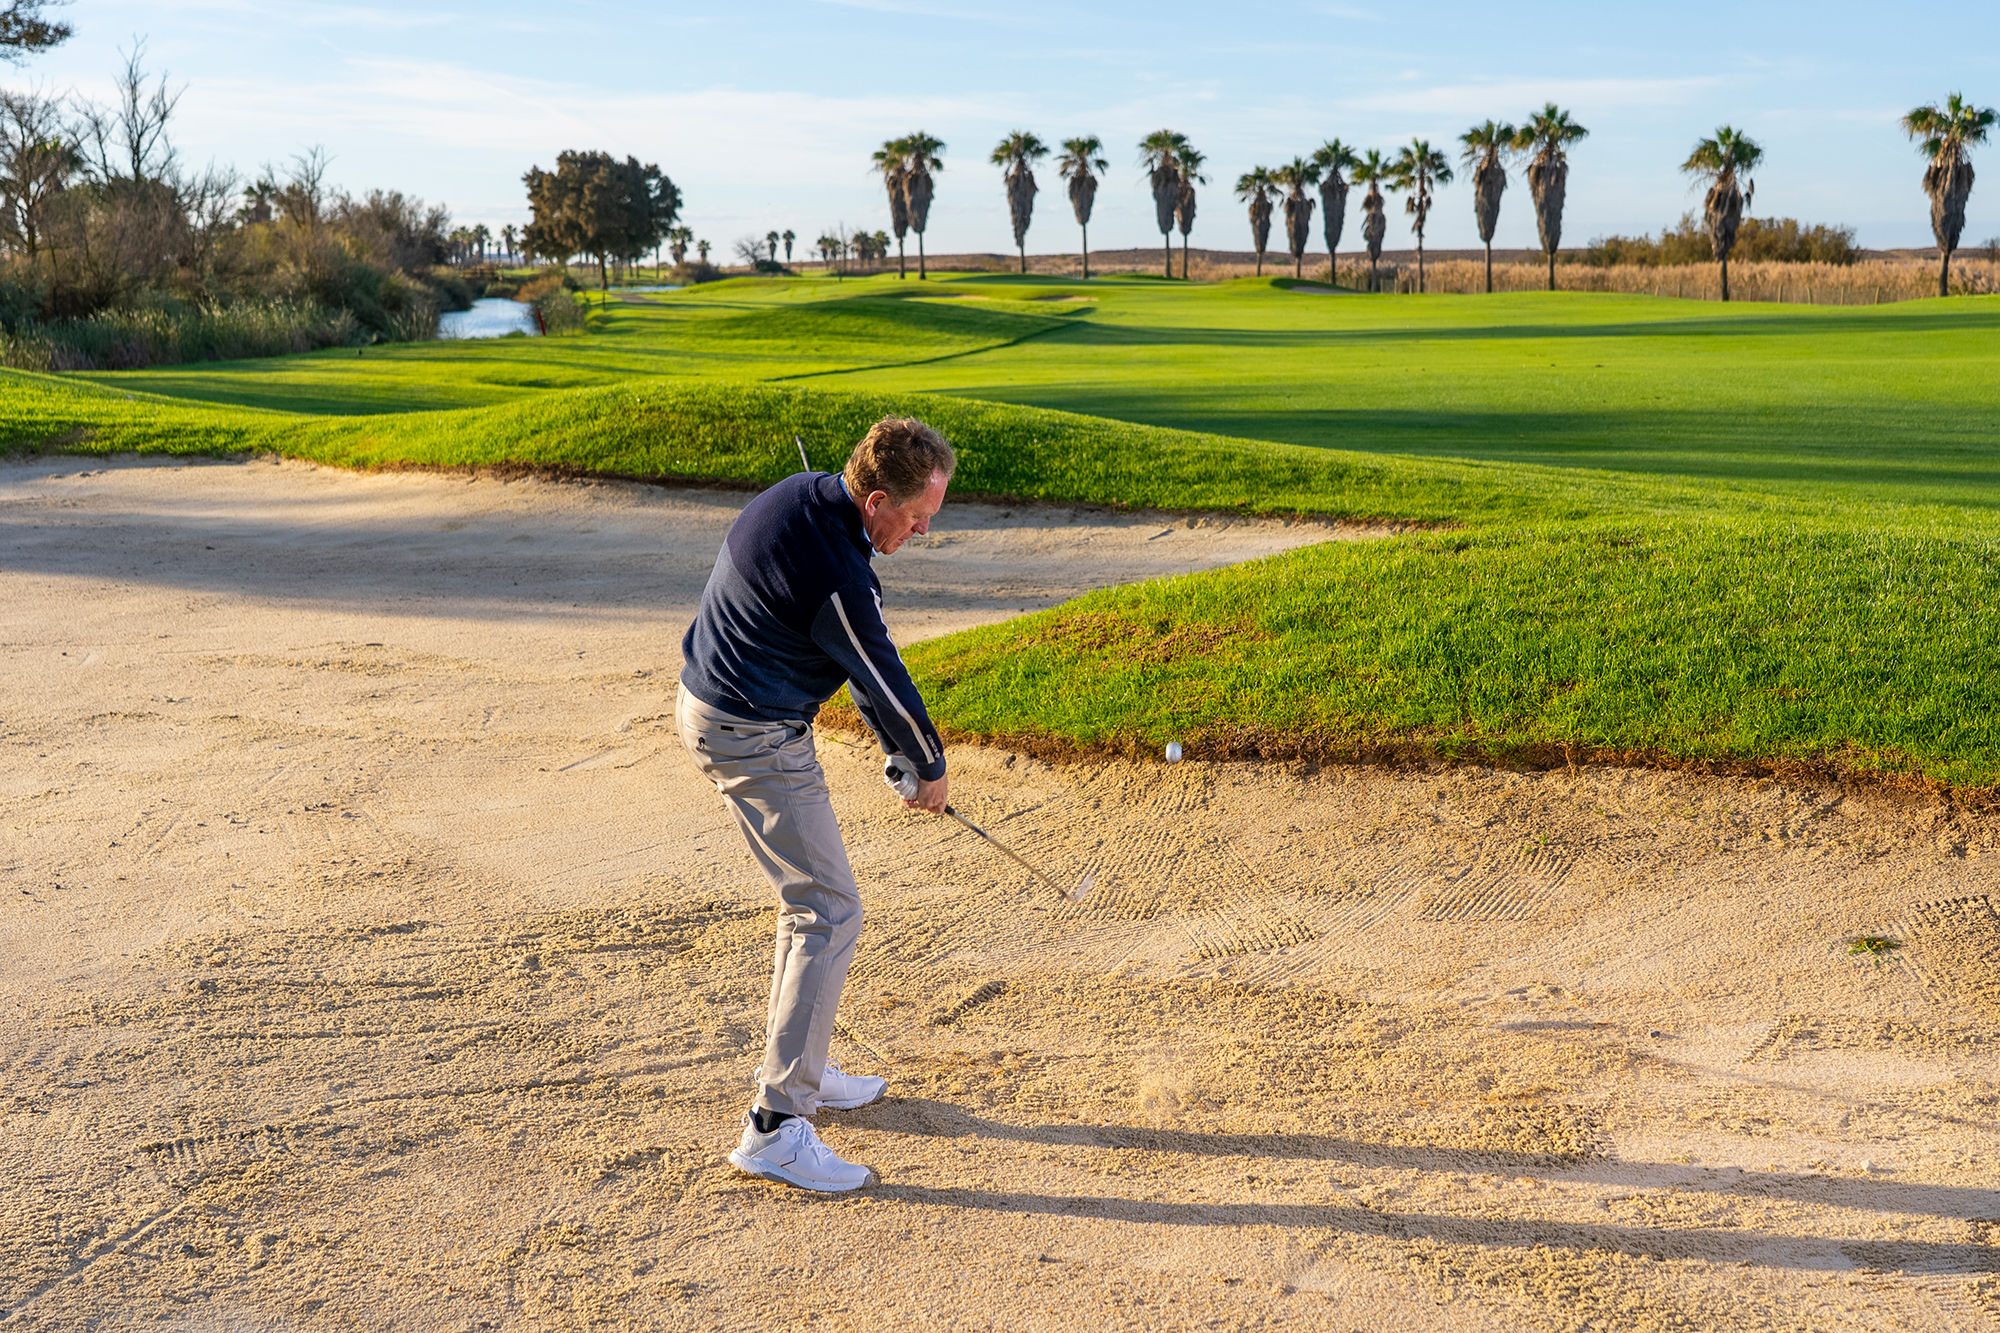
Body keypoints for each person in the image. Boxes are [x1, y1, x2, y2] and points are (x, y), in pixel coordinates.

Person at [676, 417, 955, 1193]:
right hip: (751, 733)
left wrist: (896, 749)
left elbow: (849, 664)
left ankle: (804, 1062)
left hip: (724, 709)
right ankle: (775, 1127)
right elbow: (881, 673)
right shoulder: (840, 572)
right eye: (916, 515)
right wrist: (925, 763)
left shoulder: (802, 498)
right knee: (828, 910)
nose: (923, 529)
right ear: (874, 501)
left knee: (809, 905)